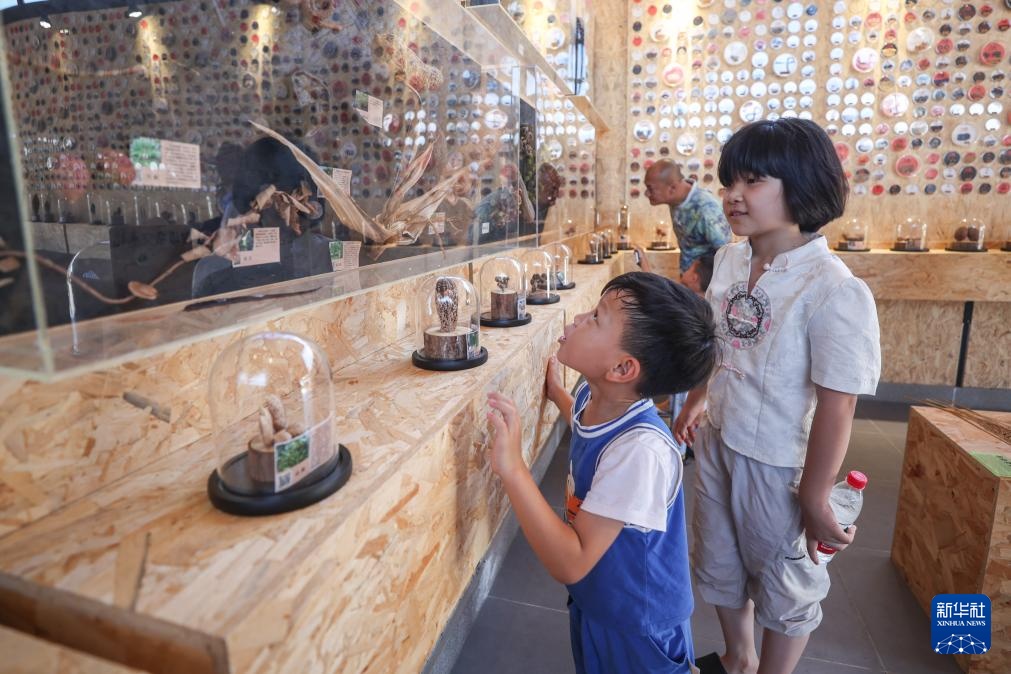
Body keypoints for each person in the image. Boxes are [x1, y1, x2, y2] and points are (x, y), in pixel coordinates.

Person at [674, 118, 881, 674]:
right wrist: (696, 399)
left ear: (803, 184)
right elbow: (718, 340)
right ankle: (739, 657)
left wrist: (814, 494)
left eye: (753, 181)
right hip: (719, 438)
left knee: (786, 578)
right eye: (729, 181)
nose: (733, 195)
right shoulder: (730, 260)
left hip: (779, 462)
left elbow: (839, 402)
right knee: (717, 557)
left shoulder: (833, 288)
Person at [487, 271, 720, 674]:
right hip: (600, 600)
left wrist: (513, 468)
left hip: (639, 625)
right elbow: (583, 423)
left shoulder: (640, 452)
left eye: (596, 317)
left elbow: (571, 561)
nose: (579, 318)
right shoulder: (594, 395)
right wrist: (557, 394)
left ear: (622, 368)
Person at [634, 250, 716, 461]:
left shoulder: (692, 306)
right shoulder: (703, 304)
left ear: (695, 278)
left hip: (691, 381)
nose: (685, 271)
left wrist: (644, 264)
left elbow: (659, 293)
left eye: (689, 268)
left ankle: (678, 450)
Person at [643, 159, 732, 274]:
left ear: (672, 188)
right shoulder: (676, 200)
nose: (647, 194)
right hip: (688, 278)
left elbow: (726, 253)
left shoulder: (706, 208)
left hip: (708, 281)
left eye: (650, 189)